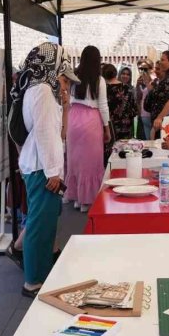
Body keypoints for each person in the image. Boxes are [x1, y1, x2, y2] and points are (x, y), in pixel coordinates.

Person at [17, 42, 79, 297]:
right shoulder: (41, 90)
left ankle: (41, 273)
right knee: (40, 225)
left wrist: (65, 106)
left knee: (44, 222)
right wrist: (53, 172)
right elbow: (44, 134)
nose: (66, 85)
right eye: (65, 79)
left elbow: (58, 133)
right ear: (54, 71)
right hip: (42, 168)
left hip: (44, 166)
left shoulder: (42, 90)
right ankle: (33, 281)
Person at [65, 46, 109, 212]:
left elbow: (68, 100)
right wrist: (107, 128)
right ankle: (87, 200)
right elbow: (103, 106)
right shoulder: (99, 80)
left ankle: (76, 197)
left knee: (75, 159)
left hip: (73, 118)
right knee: (91, 161)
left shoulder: (73, 77)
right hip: (91, 120)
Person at [102, 63, 138, 161]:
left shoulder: (102, 90)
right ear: (116, 73)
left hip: (108, 129)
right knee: (125, 156)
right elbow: (134, 111)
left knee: (109, 157)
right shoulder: (128, 89)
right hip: (125, 129)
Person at [145, 50, 169, 139]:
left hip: (166, 122)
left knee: (164, 148)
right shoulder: (166, 78)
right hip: (162, 122)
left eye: (163, 60)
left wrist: (159, 117)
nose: (160, 62)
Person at [135, 59, 155, 135]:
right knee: (146, 139)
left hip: (153, 114)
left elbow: (153, 94)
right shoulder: (140, 80)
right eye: (140, 69)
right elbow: (138, 98)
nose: (142, 71)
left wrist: (147, 82)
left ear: (151, 69)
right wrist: (137, 86)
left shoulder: (155, 80)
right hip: (143, 114)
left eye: (145, 69)